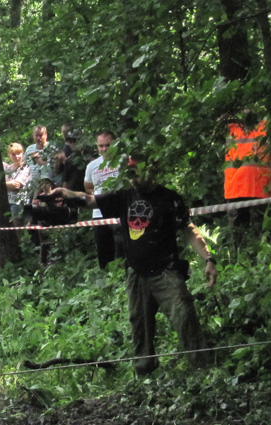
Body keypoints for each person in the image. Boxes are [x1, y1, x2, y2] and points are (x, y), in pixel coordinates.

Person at [54, 154, 217, 375]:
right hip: (137, 274)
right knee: (139, 326)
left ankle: (203, 370)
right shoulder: (124, 197)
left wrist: (208, 259)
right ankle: (144, 373)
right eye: (129, 173)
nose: (132, 178)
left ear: (150, 171)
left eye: (136, 172)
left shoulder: (169, 198)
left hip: (166, 272)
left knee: (185, 318)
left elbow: (189, 230)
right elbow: (90, 200)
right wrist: (66, 194)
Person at [84, 131, 123, 268]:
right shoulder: (92, 166)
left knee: (122, 248)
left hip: (120, 212)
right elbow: (88, 187)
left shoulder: (123, 161)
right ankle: (107, 281)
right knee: (104, 251)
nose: (104, 149)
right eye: (101, 146)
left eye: (108, 145)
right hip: (99, 215)